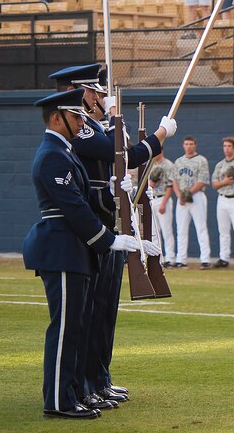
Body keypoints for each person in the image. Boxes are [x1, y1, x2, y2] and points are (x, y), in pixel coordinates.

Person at [48, 64, 175, 407]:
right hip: (97, 221)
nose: (102, 97)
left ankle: (99, 379)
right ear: (82, 93)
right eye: (97, 92)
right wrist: (160, 135)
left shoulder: (94, 125)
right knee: (90, 313)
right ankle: (85, 385)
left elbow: (123, 151)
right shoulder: (84, 129)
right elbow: (125, 154)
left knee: (105, 311)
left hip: (110, 216)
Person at [23, 90, 148, 420]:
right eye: (75, 117)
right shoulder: (53, 154)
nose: (82, 122)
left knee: (77, 325)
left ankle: (74, 392)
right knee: (65, 328)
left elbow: (86, 199)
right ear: (56, 118)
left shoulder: (64, 152)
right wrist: (108, 241)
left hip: (73, 249)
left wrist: (111, 196)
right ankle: (59, 401)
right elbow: (74, 209)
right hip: (61, 248)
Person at [210, 136, 234, 269]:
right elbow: (214, 184)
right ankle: (224, 258)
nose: (226, 149)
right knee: (223, 231)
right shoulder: (220, 164)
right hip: (222, 198)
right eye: (225, 146)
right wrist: (224, 182)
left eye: (229, 146)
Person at [173, 136, 212, 268]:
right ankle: (180, 260)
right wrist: (180, 196)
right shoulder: (178, 161)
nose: (188, 146)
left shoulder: (201, 160)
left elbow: (202, 181)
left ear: (195, 145)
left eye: (191, 144)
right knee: (181, 230)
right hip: (181, 198)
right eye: (186, 144)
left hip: (196, 196)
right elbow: (174, 181)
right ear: (183, 145)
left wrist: (187, 194)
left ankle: (205, 259)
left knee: (201, 227)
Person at [148, 150, 177, 268]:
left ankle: (170, 258)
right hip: (152, 198)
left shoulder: (168, 165)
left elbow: (170, 186)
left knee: (166, 230)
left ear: (162, 152)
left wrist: (163, 203)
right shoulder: (151, 165)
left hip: (162, 198)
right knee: (154, 232)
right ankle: (158, 258)